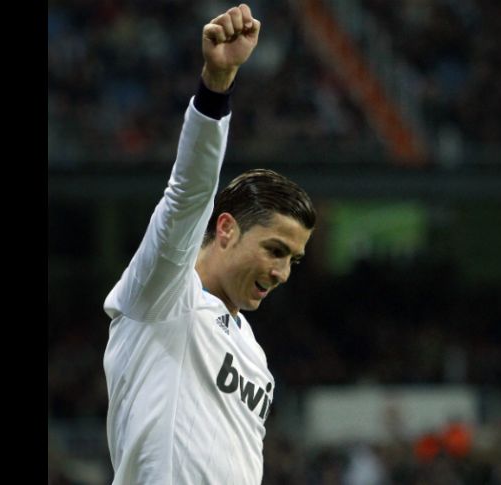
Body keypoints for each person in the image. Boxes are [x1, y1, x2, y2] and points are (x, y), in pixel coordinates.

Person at [102, 5, 316, 484]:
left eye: (293, 260)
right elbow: (188, 193)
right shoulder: (162, 294)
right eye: (275, 250)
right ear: (225, 229)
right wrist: (216, 86)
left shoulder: (254, 356)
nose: (282, 273)